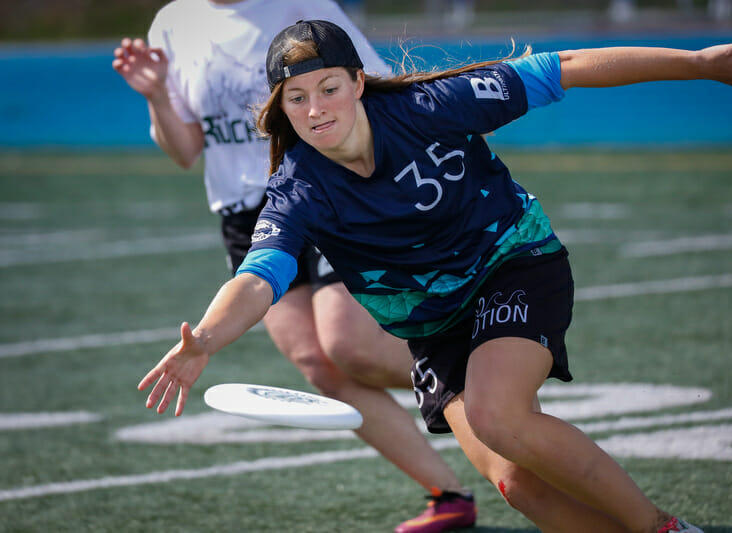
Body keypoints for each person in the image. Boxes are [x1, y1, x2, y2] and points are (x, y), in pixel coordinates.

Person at [137, 19, 732, 533]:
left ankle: (662, 527)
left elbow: (566, 68)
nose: (315, 109)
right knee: (517, 483)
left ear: (359, 83)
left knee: (498, 414)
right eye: (297, 98)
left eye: (328, 87)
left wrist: (699, 65)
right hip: (431, 326)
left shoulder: (432, 105)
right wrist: (207, 341)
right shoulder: (296, 189)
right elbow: (260, 276)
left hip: (514, 265)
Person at [112, 3, 478, 532]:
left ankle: (491, 388)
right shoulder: (173, 20)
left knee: (347, 342)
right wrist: (154, 96)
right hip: (247, 216)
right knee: (320, 366)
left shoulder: (299, 7)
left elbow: (371, 87)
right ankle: (449, 495)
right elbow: (186, 150)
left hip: (325, 190)